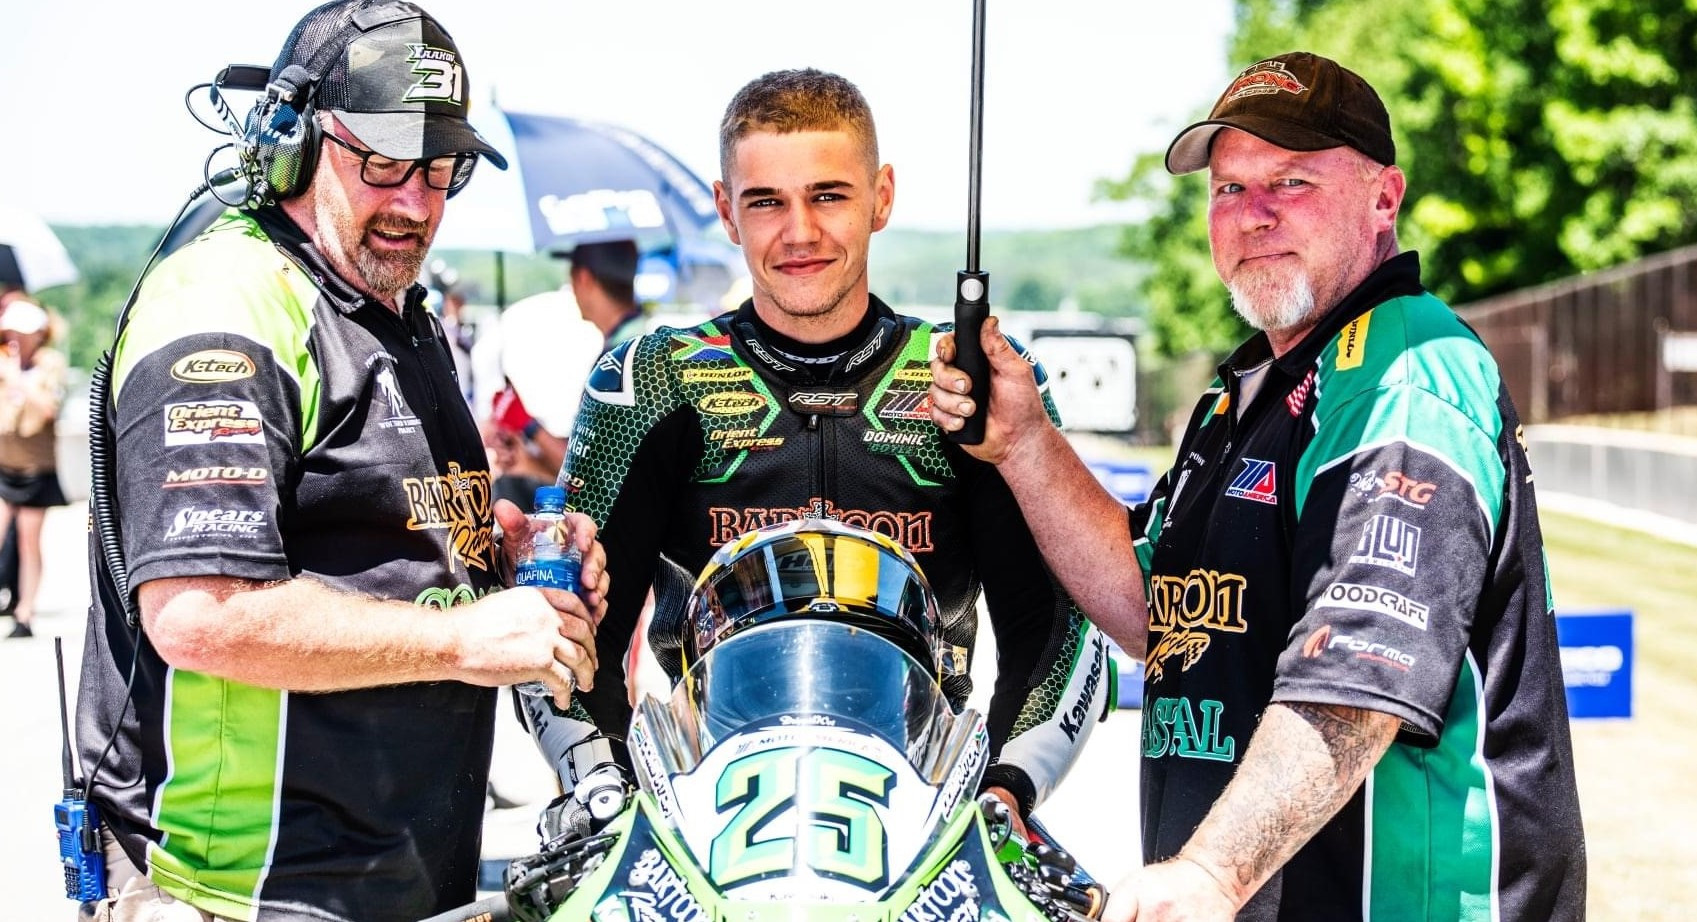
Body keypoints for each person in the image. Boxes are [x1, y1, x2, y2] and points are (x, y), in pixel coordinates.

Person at [928, 52, 1585, 920]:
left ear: (1382, 199)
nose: (1253, 215)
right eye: (1228, 190)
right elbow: (1153, 611)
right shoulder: (1242, 393)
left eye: (1291, 181)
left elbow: (1357, 683)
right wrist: (1023, 443)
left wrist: (1211, 874)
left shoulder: (1404, 370)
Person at [75, 2, 608, 920]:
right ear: (291, 140)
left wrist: (500, 559)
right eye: (385, 163)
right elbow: (202, 615)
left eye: (443, 170)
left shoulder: (391, 306)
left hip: (387, 875)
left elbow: (372, 541)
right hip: (238, 889)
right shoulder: (228, 302)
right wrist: (462, 639)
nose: (417, 201)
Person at [528, 68, 1110, 832]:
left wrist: (1004, 795)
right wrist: (602, 788)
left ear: (883, 197)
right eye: (765, 201)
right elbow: (563, 617)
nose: (798, 232)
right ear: (725, 213)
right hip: (701, 817)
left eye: (828, 195)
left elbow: (1062, 625)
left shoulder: (971, 378)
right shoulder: (651, 380)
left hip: (926, 821)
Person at [0, 298, 68, 638]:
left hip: (35, 464)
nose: (15, 339)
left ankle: (25, 612)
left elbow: (48, 409)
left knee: (29, 541)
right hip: (3, 459)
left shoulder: (50, 364)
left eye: (22, 333)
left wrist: (18, 380)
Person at [567, 239, 647, 348]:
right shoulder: (648, 337)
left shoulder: (620, 356)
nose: (572, 289)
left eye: (572, 279)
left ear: (584, 279)